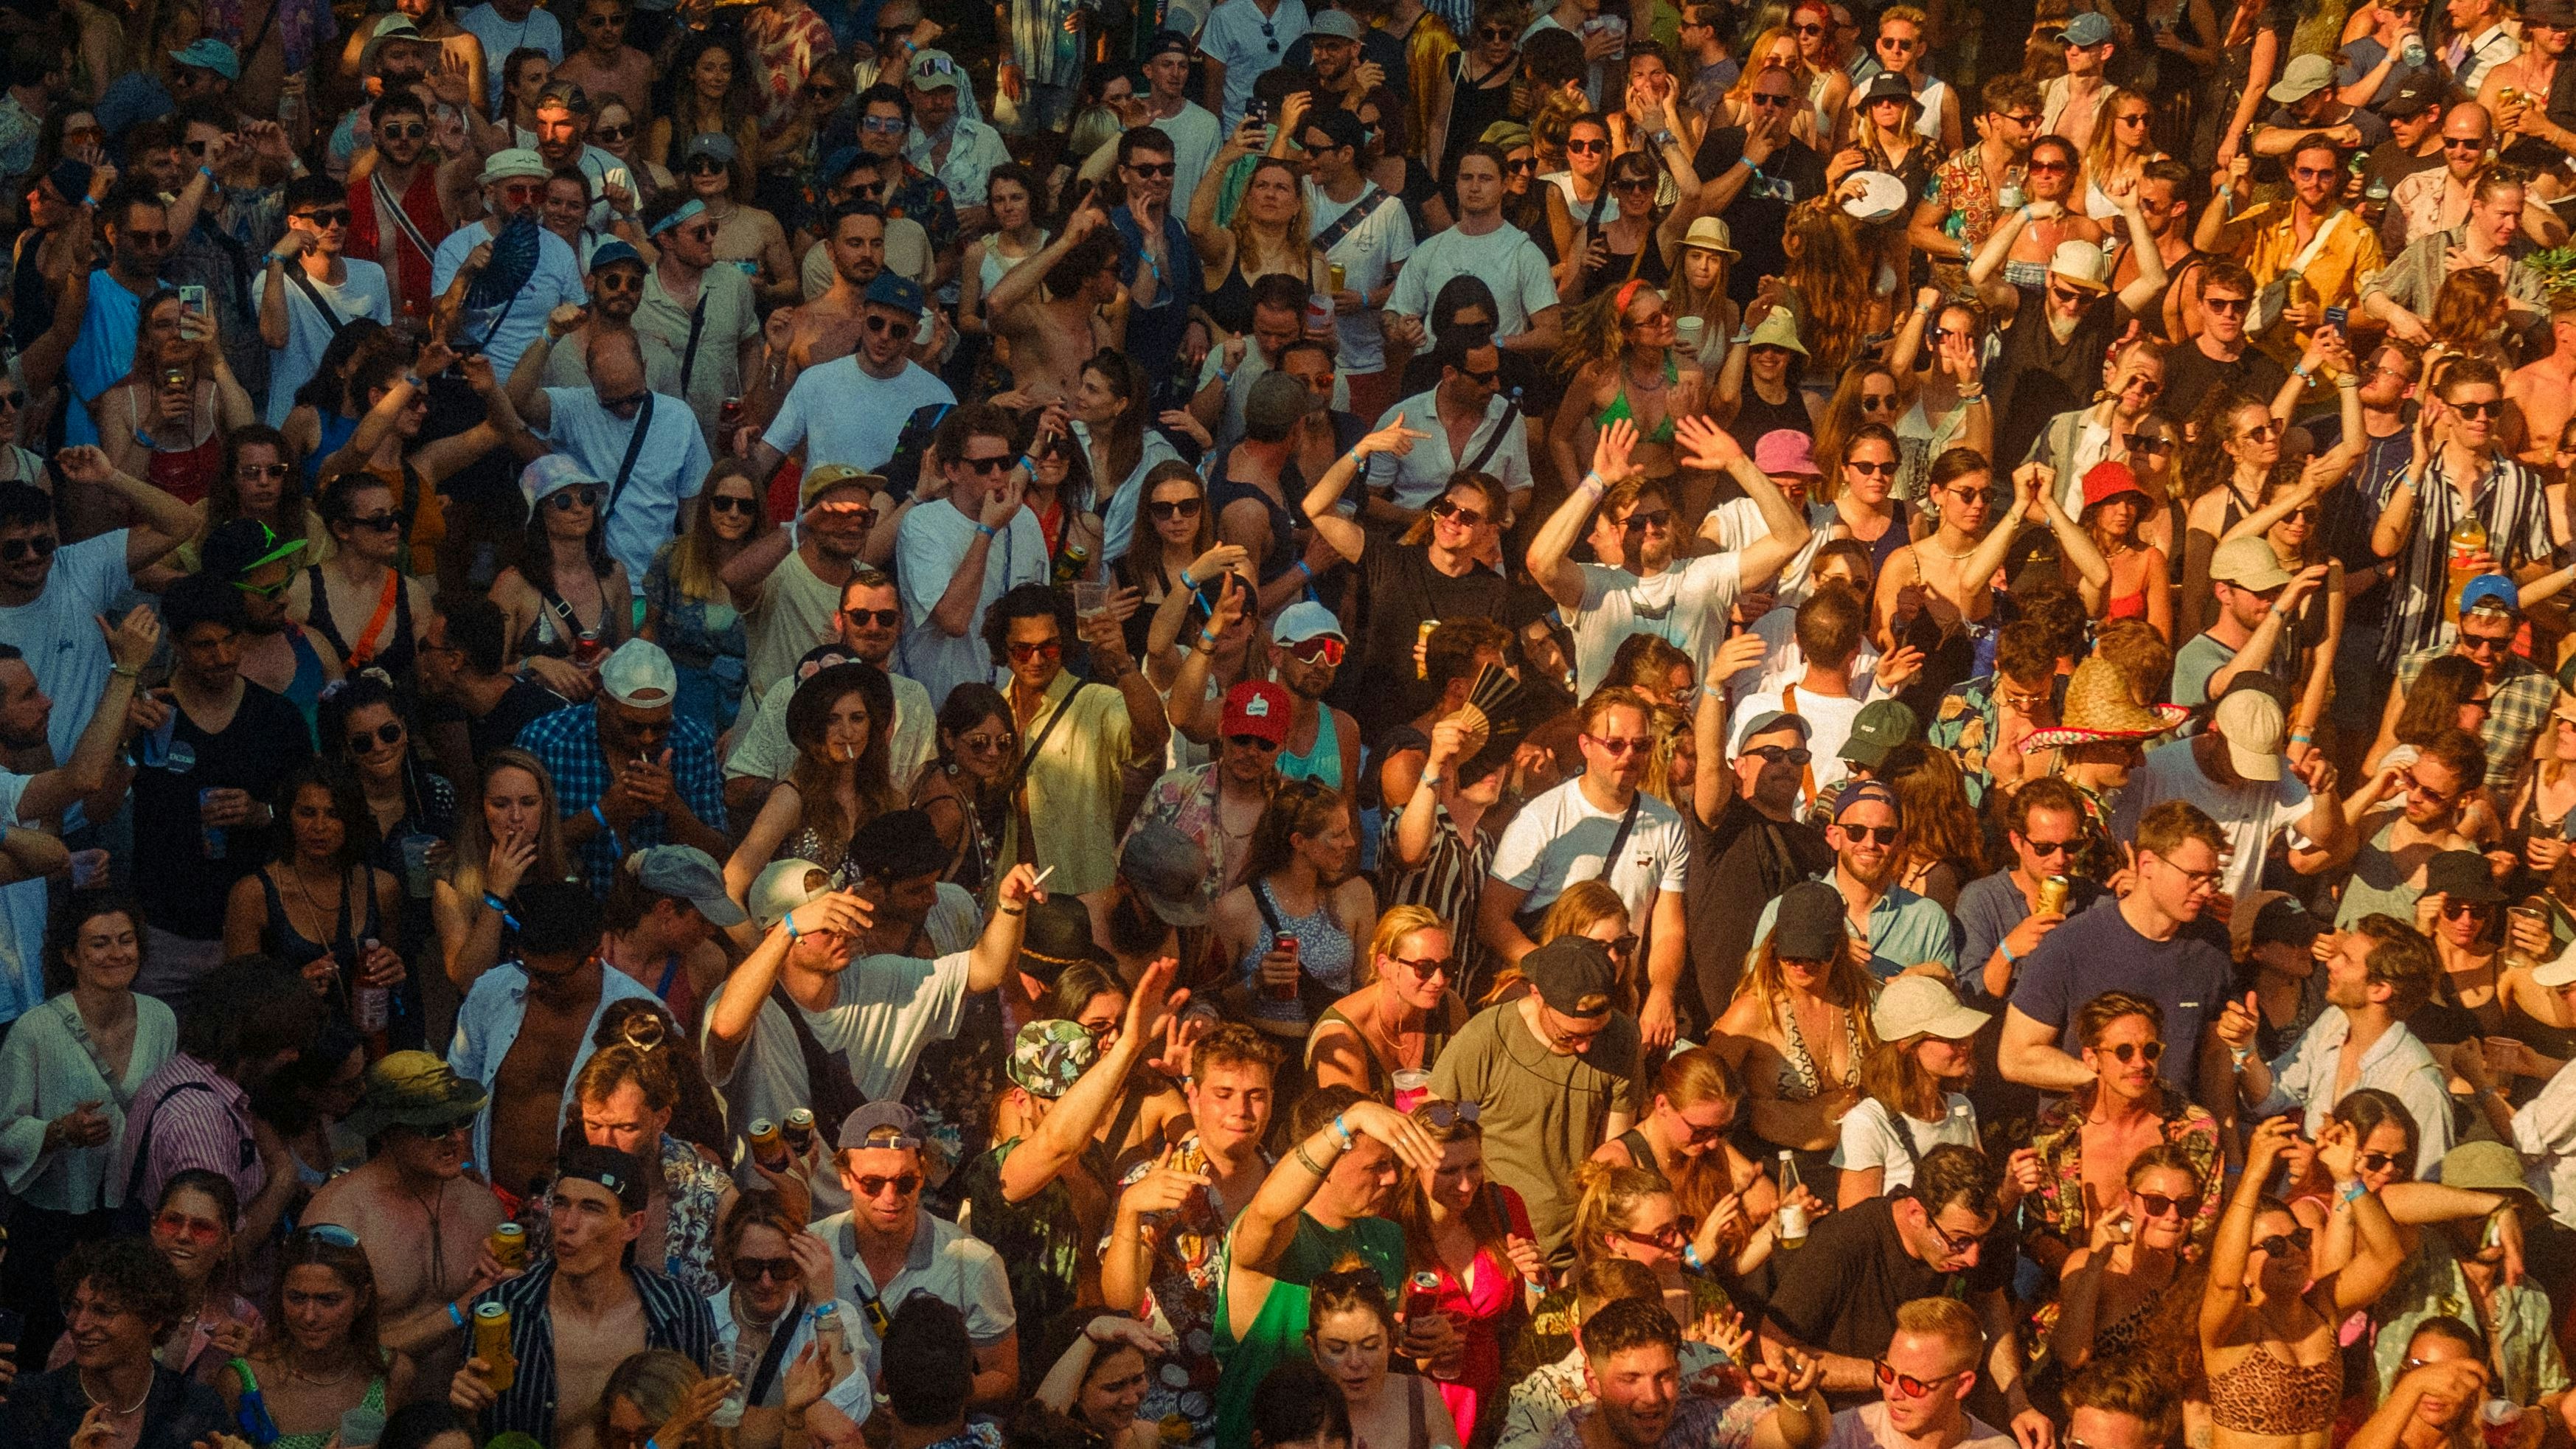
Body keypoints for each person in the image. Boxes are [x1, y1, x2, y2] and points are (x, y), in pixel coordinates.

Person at [702, 849, 1042, 1167]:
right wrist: (790, 927)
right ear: (776, 933)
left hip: (867, 1203)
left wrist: (1010, 906)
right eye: (825, 922)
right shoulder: (743, 1000)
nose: (843, 929)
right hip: (778, 1206)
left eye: (842, 913)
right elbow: (726, 1030)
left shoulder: (881, 979)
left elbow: (987, 969)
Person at [1211, 1085, 1442, 1446]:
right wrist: (1349, 1122)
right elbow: (1268, 1210)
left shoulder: (1387, 1238)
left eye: (1392, 1163)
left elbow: (1380, 1358)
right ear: (1327, 1167)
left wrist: (1418, 1340)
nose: (1392, 1178)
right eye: (1377, 1166)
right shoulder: (1278, 1235)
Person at [0, 892, 175, 1358]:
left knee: (120, 1343)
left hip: (128, 1215)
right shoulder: (34, 1031)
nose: (117, 954)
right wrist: (59, 1132)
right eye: (99, 944)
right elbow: (5, 1131)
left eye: (126, 940)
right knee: (40, 1347)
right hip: (52, 1223)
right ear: (71, 955)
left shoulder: (161, 1019)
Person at [447, 1142, 719, 1440]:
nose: (568, 1224)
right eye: (561, 1204)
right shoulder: (502, 1308)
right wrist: (466, 1411)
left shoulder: (680, 1310)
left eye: (591, 1208)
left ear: (632, 1225)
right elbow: (477, 1433)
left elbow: (709, 1429)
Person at [1480, 687, 1690, 1045]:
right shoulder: (1542, 818)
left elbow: (1669, 927)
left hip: (1617, 998)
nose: (1629, 755)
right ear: (1585, 745)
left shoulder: (1668, 824)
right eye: (1615, 745)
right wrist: (1552, 971)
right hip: (1545, 998)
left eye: (1641, 746)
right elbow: (1492, 919)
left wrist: (1662, 991)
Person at [302, 1050, 513, 1391]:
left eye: (461, 1121)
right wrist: (460, 1310)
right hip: (375, 1414)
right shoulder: (340, 1217)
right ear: (386, 1132)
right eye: (435, 1128)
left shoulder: (483, 1208)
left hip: (464, 1416)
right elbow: (327, 1347)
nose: (456, 1139)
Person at [1431, 934, 1645, 1268]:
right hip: (1498, 1244)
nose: (1585, 1047)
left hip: (1576, 1245)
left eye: (1594, 1033)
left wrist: (1591, 1249)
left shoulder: (1621, 1039)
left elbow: (1613, 1152)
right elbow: (1432, 1130)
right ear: (1537, 995)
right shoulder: (1485, 1038)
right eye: (1569, 1035)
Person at [2002, 800, 2237, 1103]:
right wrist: (2117, 1082)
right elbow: (2016, 1057)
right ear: (2147, 865)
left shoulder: (2212, 945)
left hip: (2175, 1140)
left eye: (2212, 878)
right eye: (2194, 877)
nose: (2206, 891)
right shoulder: (2071, 943)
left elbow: (2214, 1060)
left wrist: (2230, 1147)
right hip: (2089, 1136)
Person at [447, 879, 660, 1211]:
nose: (533, 984)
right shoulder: (493, 992)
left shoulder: (640, 1019)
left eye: (550, 977)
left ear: (595, 955)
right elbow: (459, 1088)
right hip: (488, 1197)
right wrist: (463, 1165)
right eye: (526, 967)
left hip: (590, 1211)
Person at [2198, 1116, 2405, 1449]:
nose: (2293, 1251)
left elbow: (2386, 1258)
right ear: (2245, 1270)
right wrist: (2252, 1177)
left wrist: (2347, 1178)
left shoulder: (2324, 1310)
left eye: (2298, 1238)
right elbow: (2224, 1283)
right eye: (2274, 1246)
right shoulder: (2230, 1328)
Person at [809, 1102, 1018, 1412]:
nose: (890, 1198)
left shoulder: (973, 1263)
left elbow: (1003, 1377)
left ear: (923, 1173)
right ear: (844, 1176)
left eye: (905, 1182)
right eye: (872, 1184)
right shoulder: (814, 1248)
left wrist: (928, 1400)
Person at [2221, 914, 2454, 1178]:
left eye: (2348, 960)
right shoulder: (2334, 1023)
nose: (2331, 963)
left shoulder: (2419, 1085)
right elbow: (2271, 1096)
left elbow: (2422, 1194)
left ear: (2379, 990)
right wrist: (2244, 1047)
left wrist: (2321, 1170)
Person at [2022, 994, 2226, 1274]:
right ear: (2092, 1058)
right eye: (2124, 1052)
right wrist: (2091, 1284)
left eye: (2150, 1050)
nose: (2140, 1063)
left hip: (2164, 1292)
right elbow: (2039, 1235)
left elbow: (2199, 1237)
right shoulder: (2056, 1130)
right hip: (2075, 1288)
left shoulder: (2195, 1130)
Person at [518, 637, 730, 894]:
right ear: (603, 700)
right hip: (572, 906)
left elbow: (718, 855)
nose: (648, 738)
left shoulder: (692, 741)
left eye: (661, 726)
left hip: (660, 911)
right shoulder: (547, 740)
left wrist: (672, 806)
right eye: (633, 726)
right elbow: (521, 851)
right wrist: (602, 813)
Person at [2114, 684, 2347, 906]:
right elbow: (2121, 851)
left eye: (2260, 765)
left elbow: (2325, 837)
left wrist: (2325, 793)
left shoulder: (2279, 774)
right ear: (2214, 732)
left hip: (2231, 932)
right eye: (2241, 763)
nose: (2250, 778)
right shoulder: (2157, 770)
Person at [1, 1237, 228, 1449]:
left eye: (103, 1311)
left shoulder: (196, 1409)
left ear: (153, 1319)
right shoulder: (28, 1403)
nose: (79, 1325)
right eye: (75, 1306)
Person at [221, 1226, 416, 1445]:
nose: (309, 1316)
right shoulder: (244, 1383)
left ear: (362, 1299)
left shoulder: (393, 1376)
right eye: (297, 1298)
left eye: (328, 1300)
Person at [1834, 976, 1993, 1203]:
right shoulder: (1867, 1122)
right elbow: (1857, 1225)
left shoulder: (1961, 1107)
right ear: (1907, 1045)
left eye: (1966, 1037)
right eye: (1952, 1038)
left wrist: (2010, 1189)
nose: (1966, 1046)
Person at [1301, 1264, 1466, 1449]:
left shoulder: (1420, 1398)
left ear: (1390, 1341)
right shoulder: (1297, 1415)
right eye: (1338, 1349)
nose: (1355, 1362)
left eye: (1370, 1346)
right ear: (1314, 1349)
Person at [1820, 1296, 2016, 1449]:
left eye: (1911, 1384)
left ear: (1961, 1385)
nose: (1892, 1393)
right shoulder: (1848, 1433)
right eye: (1887, 1374)